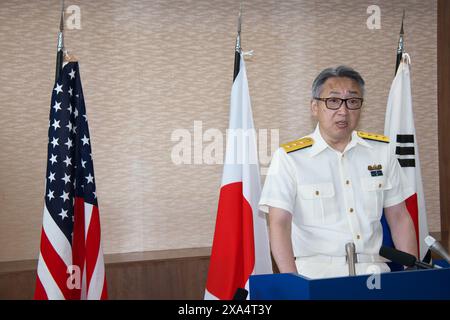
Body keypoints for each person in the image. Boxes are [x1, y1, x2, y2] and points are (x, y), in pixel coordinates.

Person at [259, 66, 418, 279]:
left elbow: (399, 217)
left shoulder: (381, 152)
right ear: (314, 107)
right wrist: (292, 282)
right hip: (316, 275)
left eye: (352, 101)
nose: (343, 111)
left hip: (375, 273)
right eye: (333, 101)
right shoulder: (289, 158)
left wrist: (412, 275)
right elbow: (279, 223)